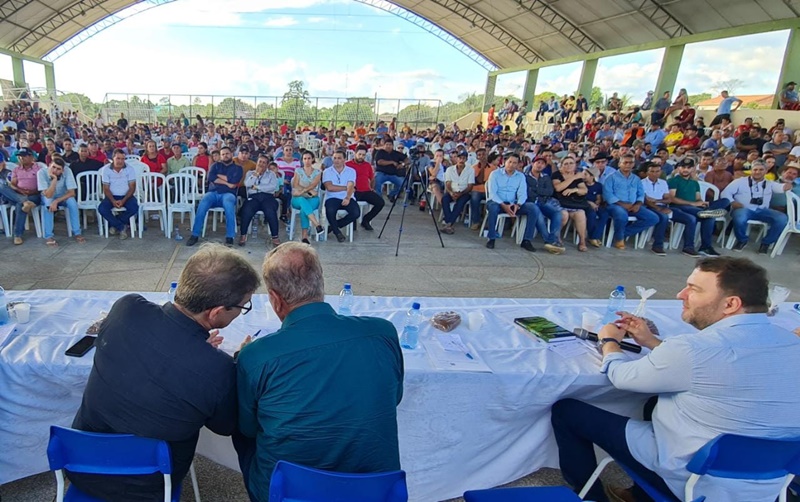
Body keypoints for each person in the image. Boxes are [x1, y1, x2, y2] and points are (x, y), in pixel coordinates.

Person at [552, 257, 800, 502]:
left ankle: (593, 497)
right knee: (654, 403)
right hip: (768, 486)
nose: (681, 294)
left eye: (694, 289)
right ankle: (639, 496)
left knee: (567, 411)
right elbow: (707, 367)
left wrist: (609, 341)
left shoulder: (694, 348)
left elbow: (622, 377)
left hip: (694, 482)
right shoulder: (792, 343)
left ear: (731, 304)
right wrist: (651, 342)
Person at [70, 244, 261, 501]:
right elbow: (225, 426)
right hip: (149, 484)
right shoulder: (218, 369)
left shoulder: (126, 308)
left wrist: (195, 350)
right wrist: (239, 359)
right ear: (216, 312)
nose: (242, 311)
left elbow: (155, 352)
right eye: (243, 306)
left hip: (81, 465)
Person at [234, 242, 403, 501]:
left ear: (275, 299)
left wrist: (243, 358)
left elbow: (248, 427)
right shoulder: (383, 332)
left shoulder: (257, 355)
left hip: (290, 491)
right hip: (375, 489)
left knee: (242, 432)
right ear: (320, 283)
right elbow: (395, 396)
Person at [721, 160, 791, 254]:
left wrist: (787, 185)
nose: (757, 172)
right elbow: (725, 193)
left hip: (762, 211)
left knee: (782, 218)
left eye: (761, 170)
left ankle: (766, 243)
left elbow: (781, 187)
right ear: (751, 170)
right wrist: (732, 202)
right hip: (743, 209)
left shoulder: (770, 183)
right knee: (740, 217)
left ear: (766, 171)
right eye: (755, 169)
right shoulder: (740, 181)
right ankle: (742, 240)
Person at [603, 153, 662, 252]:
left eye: (630, 163)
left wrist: (638, 204)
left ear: (634, 164)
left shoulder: (636, 179)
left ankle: (622, 234)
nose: (628, 165)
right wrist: (623, 204)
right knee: (622, 215)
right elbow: (608, 195)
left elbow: (641, 194)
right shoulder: (611, 178)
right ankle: (619, 239)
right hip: (616, 205)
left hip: (633, 205)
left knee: (653, 218)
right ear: (620, 164)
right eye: (625, 162)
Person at [187, 146, 242, 247]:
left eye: (227, 154)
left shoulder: (238, 168)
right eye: (223, 154)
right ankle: (194, 235)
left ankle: (230, 237)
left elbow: (234, 180)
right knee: (202, 204)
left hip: (228, 194)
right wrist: (228, 182)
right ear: (220, 156)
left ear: (231, 154)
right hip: (213, 193)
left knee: (229, 207)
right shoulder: (215, 165)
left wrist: (219, 176)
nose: (225, 156)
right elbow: (210, 177)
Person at [484, 153, 538, 252]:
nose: (511, 165)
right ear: (504, 162)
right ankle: (491, 238)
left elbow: (522, 193)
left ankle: (526, 240)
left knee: (533, 208)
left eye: (515, 163)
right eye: (510, 162)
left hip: (513, 203)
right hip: (497, 202)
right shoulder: (495, 174)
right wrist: (503, 205)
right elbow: (492, 193)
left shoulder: (520, 176)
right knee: (493, 208)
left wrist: (518, 205)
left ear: (518, 164)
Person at [37, 157, 84, 246]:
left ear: (62, 170)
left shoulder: (67, 171)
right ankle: (49, 236)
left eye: (58, 169)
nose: (55, 170)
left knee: (72, 203)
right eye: (53, 167)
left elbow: (72, 192)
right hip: (48, 195)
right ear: (49, 165)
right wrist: (54, 179)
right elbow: (48, 195)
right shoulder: (41, 173)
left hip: (63, 196)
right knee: (48, 204)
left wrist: (56, 201)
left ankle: (77, 232)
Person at [0, 147, 41, 245]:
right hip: (19, 194)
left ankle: (17, 235)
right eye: (19, 157)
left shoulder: (38, 169)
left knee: (20, 205)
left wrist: (31, 192)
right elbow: (13, 185)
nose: (21, 158)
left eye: (24, 156)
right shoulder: (16, 169)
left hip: (34, 195)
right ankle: (24, 201)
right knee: (2, 187)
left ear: (31, 157)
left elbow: (42, 186)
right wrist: (20, 190)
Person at [239, 155, 280, 247]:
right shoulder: (250, 173)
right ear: (256, 163)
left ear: (267, 165)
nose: (261, 164)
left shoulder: (271, 174)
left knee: (270, 211)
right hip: (254, 197)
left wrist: (257, 187)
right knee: (247, 210)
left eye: (264, 162)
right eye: (260, 162)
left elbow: (272, 187)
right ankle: (243, 234)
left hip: (268, 197)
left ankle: (275, 236)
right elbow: (247, 184)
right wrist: (256, 174)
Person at [98, 149, 138, 240]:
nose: (120, 161)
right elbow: (106, 188)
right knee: (102, 208)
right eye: (118, 158)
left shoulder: (130, 169)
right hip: (111, 196)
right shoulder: (106, 170)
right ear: (113, 158)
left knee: (134, 208)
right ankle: (121, 226)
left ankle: (115, 224)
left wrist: (123, 200)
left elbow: (132, 187)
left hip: (127, 196)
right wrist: (113, 201)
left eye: (123, 159)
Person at [322, 150, 359, 243]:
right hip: (332, 197)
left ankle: (333, 227)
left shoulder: (351, 171)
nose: (336, 160)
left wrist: (347, 197)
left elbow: (351, 185)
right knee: (330, 210)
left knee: (356, 213)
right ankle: (337, 232)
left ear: (344, 160)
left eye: (339, 158)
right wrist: (346, 188)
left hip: (347, 197)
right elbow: (330, 187)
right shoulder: (327, 171)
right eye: (334, 158)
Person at [347, 145, 384, 231]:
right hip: (353, 191)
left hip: (366, 191)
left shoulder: (367, 165)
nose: (361, 157)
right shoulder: (347, 165)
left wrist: (372, 188)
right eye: (359, 154)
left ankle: (366, 220)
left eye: (363, 155)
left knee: (380, 203)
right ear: (355, 154)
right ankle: (352, 223)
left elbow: (372, 178)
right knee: (352, 205)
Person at [291, 151, 324, 244]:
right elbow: (295, 184)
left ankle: (304, 237)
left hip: (311, 198)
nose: (307, 161)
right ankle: (317, 224)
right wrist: (308, 191)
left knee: (304, 209)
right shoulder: (298, 171)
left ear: (313, 159)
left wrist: (302, 191)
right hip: (298, 198)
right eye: (305, 159)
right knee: (302, 200)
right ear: (302, 160)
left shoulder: (318, 172)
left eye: (309, 158)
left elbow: (313, 185)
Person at [440, 151, 475, 235]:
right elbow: (448, 184)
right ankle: (449, 223)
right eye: (460, 158)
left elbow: (470, 186)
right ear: (457, 159)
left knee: (460, 203)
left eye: (463, 158)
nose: (461, 160)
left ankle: (448, 223)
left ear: (466, 159)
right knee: (444, 199)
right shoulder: (450, 169)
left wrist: (460, 194)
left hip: (464, 192)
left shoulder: (470, 170)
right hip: (452, 191)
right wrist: (451, 193)